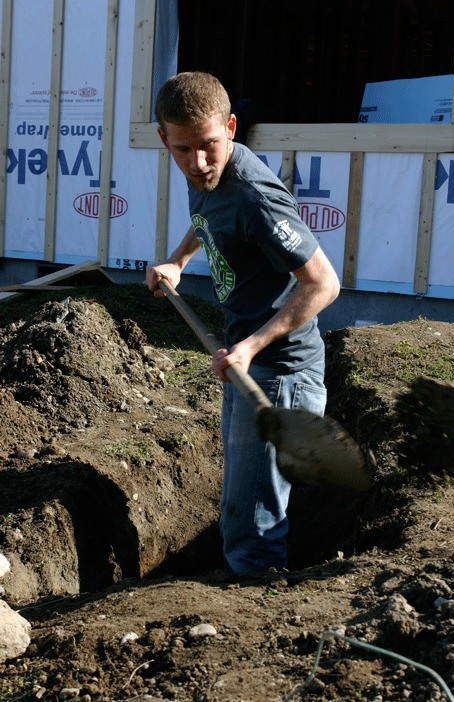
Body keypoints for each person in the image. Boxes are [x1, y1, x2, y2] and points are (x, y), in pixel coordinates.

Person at [146, 72, 340, 574]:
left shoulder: (257, 197)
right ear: (164, 139)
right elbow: (210, 215)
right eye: (183, 150)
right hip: (244, 361)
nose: (199, 163)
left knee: (253, 528)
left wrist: (253, 345)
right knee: (242, 508)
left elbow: (323, 284)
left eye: (209, 146)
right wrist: (178, 260)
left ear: (231, 127)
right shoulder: (206, 177)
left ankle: (252, 621)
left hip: (281, 375)